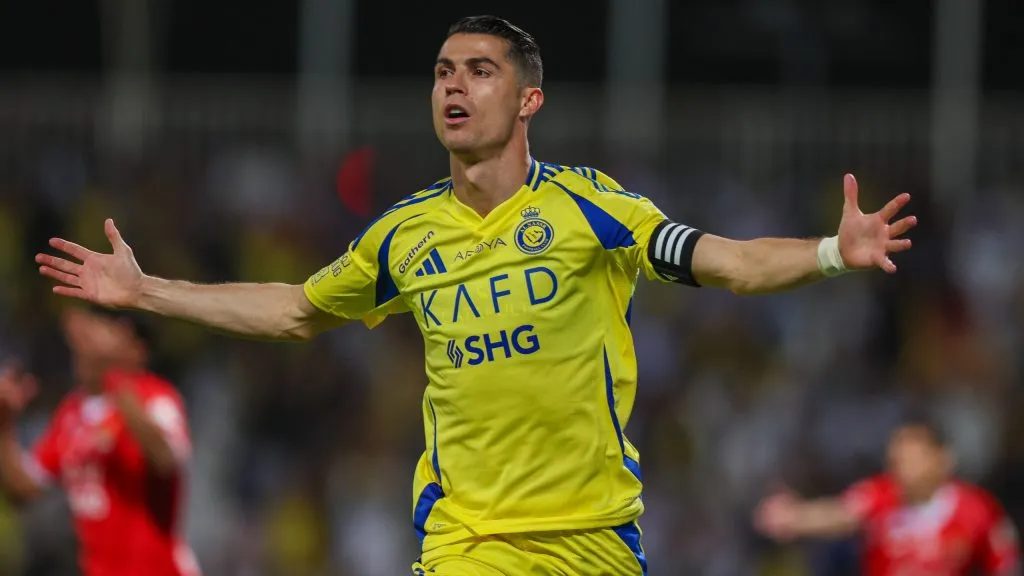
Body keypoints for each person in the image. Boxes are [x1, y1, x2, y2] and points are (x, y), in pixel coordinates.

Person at [34, 15, 916, 576]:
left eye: (479, 71)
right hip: (468, 541)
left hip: (594, 538)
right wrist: (150, 291)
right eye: (443, 71)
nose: (453, 85)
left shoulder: (591, 208)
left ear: (529, 98)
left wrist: (835, 251)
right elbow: (296, 308)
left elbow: (725, 261)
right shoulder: (403, 234)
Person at [0, 307, 199, 576]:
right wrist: (4, 424)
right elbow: (23, 490)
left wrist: (115, 379)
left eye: (101, 325)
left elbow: (166, 460)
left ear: (134, 347)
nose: (81, 332)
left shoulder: (157, 399)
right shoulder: (71, 413)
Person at [754, 416, 1020, 575]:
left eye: (913, 459)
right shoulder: (880, 496)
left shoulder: (976, 510)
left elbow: (1005, 564)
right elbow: (840, 514)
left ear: (942, 460)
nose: (903, 467)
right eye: (897, 459)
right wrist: (796, 518)